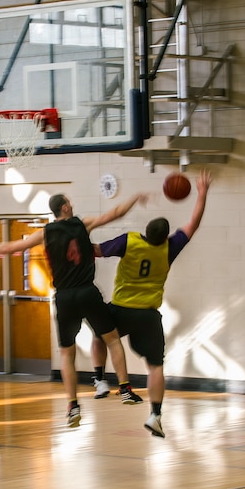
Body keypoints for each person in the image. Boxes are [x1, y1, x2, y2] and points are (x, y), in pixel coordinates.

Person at [0, 193, 148, 428]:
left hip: (64, 297)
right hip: (87, 292)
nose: (73, 204)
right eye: (70, 202)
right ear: (65, 207)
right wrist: (135, 197)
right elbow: (115, 213)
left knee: (66, 354)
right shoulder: (83, 224)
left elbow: (12, 247)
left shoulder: (45, 233)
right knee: (112, 340)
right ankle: (124, 389)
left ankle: (72, 406)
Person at [91, 171, 212, 438]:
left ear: (145, 232)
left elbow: (96, 251)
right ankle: (156, 416)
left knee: (100, 336)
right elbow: (194, 223)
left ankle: (99, 379)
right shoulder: (169, 248)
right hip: (148, 315)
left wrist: (75, 238)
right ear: (165, 237)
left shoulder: (129, 241)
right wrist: (202, 194)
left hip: (121, 308)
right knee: (156, 366)